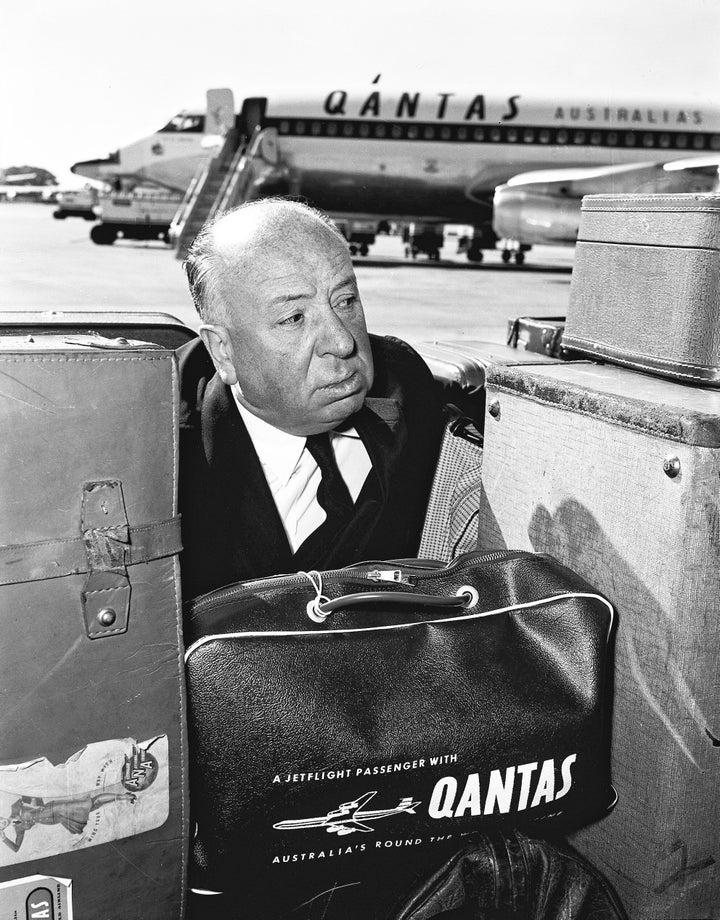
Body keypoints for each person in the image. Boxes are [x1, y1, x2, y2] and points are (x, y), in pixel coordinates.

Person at [178, 198, 444, 600]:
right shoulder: (168, 460)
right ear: (223, 352)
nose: (343, 341)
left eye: (346, 301)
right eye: (294, 318)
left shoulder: (404, 381)